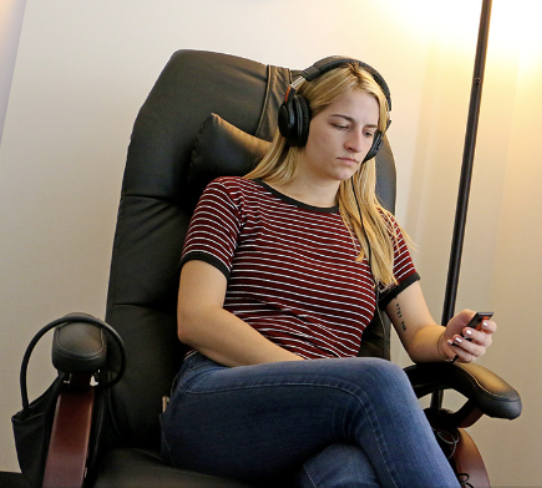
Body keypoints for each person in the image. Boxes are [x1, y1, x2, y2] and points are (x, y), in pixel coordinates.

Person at [160, 57, 496, 487]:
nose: (357, 143)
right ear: (297, 120)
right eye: (341, 125)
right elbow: (197, 320)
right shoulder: (232, 197)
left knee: (350, 475)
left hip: (324, 420)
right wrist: (313, 376)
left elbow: (419, 335)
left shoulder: (378, 230)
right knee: (376, 379)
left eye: (370, 133)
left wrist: (450, 339)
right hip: (218, 401)